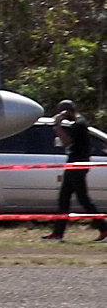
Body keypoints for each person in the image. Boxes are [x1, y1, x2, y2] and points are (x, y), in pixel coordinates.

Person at [42, 100, 107, 241]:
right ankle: (58, 233)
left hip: (78, 164)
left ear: (67, 112)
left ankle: (104, 229)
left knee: (83, 199)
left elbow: (66, 142)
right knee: (63, 199)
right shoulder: (79, 123)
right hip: (73, 163)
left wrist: (57, 125)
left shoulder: (79, 125)